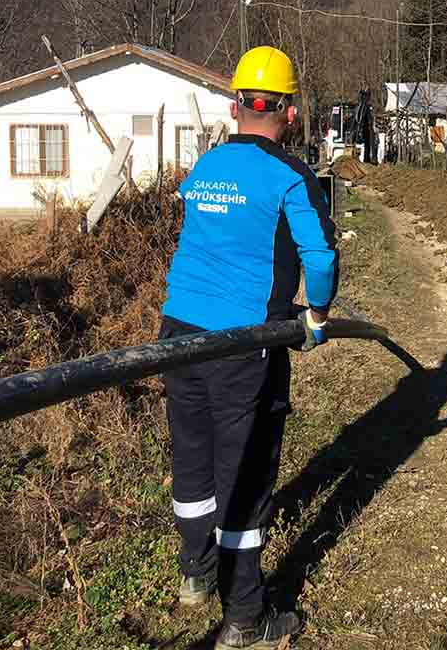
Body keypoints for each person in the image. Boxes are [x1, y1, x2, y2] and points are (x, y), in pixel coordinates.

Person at [158, 45, 338, 650]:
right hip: (243, 342)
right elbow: (320, 257)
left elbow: (213, 245)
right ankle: (244, 617)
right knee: (245, 471)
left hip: (178, 334)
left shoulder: (205, 168)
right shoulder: (290, 176)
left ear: (237, 106)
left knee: (193, 455)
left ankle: (195, 575)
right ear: (288, 111)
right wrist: (315, 314)